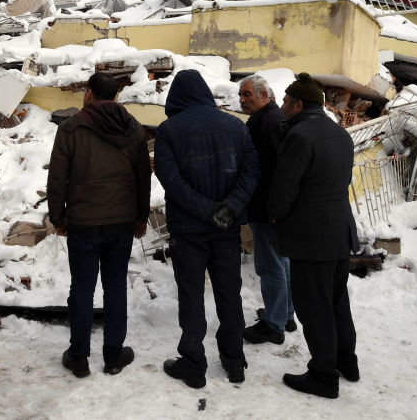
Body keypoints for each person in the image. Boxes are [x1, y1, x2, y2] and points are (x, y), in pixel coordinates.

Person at [154, 69, 258, 388]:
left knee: (192, 295)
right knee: (229, 295)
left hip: (189, 230)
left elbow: (172, 181)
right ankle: (234, 360)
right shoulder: (235, 126)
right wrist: (227, 210)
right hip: (226, 229)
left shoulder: (169, 131)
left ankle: (194, 363)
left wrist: (207, 211)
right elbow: (251, 172)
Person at [46, 72, 151, 378]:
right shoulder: (132, 128)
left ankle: (79, 357)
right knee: (116, 286)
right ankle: (114, 355)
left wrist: (58, 218)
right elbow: (143, 176)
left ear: (89, 93)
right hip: (120, 223)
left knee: (81, 288)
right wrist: (141, 217)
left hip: (83, 223)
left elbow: (57, 178)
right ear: (115, 96)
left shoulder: (71, 128)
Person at [267, 73, 359, 399]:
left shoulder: (300, 136)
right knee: (336, 302)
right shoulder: (340, 134)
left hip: (311, 238)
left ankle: (323, 375)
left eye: (285, 102)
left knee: (314, 307)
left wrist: (274, 213)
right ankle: (347, 362)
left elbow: (285, 188)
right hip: (340, 232)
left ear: (298, 104)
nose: (281, 107)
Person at [237, 75, 295, 346]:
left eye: (248, 94)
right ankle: (285, 314)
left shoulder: (268, 123)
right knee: (281, 261)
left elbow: (273, 171)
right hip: (273, 207)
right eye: (241, 95)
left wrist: (271, 207)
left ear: (265, 95)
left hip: (267, 207)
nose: (243, 99)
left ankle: (274, 324)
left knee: (270, 265)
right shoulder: (270, 119)